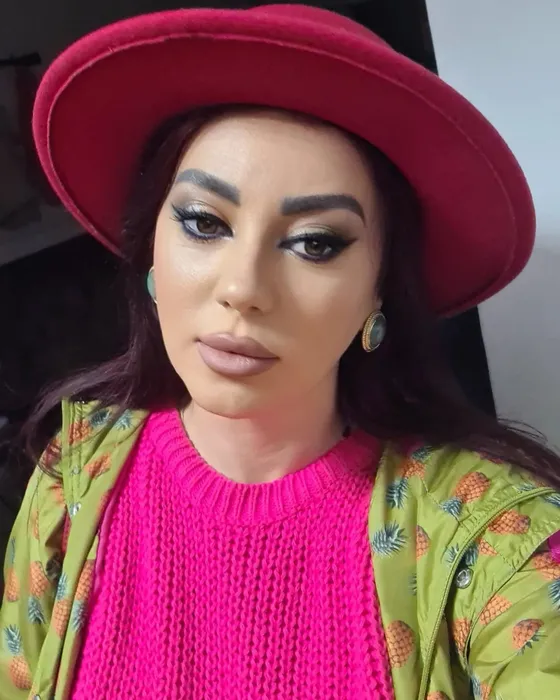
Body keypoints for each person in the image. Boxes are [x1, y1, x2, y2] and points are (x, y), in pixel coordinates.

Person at [1, 5, 559, 699]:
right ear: (151, 253)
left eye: (315, 243)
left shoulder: (494, 542)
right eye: (204, 223)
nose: (243, 289)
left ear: (379, 288)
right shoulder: (73, 480)